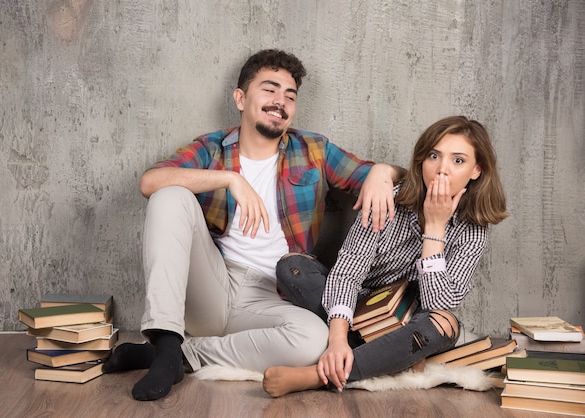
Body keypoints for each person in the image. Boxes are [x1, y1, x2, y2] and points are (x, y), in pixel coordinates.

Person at [102, 49, 405, 401]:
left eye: (289, 96)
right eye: (270, 90)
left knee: (312, 339)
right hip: (211, 286)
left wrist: (383, 172)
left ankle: (174, 357)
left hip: (270, 296)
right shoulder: (212, 148)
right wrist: (230, 179)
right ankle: (166, 340)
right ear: (241, 98)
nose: (280, 102)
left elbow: (394, 178)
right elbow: (150, 181)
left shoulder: (314, 151)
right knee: (169, 195)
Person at [264, 115, 508, 397]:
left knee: (445, 325)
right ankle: (390, 356)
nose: (442, 170)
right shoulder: (387, 200)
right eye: (434, 156)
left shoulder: (474, 230)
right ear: (421, 161)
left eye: (458, 161)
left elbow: (437, 304)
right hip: (357, 305)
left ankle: (316, 377)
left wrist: (435, 230)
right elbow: (347, 272)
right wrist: (338, 340)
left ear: (476, 170)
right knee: (292, 266)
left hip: (409, 320)